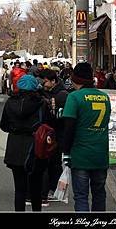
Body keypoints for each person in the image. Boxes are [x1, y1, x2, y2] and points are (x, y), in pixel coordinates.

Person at [62, 62, 111, 212]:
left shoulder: (74, 97)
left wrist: (66, 151)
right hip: (101, 154)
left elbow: (68, 128)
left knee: (82, 196)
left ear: (74, 78)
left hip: (81, 154)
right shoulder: (105, 97)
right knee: (99, 194)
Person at [0, 74, 52, 212]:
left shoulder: (10, 102)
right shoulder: (41, 103)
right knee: (36, 188)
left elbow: (3, 125)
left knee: (19, 189)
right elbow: (48, 125)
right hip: (36, 147)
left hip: (15, 147)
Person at [39, 68, 68, 203]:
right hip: (48, 133)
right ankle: (52, 188)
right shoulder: (46, 92)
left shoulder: (62, 95)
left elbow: (59, 117)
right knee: (50, 162)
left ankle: (55, 189)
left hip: (57, 133)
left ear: (53, 81)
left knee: (55, 162)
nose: (43, 84)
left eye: (45, 82)